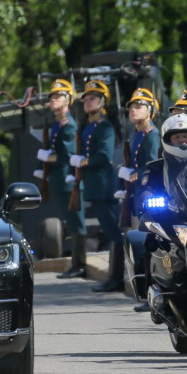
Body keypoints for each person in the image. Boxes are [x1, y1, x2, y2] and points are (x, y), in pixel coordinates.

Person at [72, 80, 123, 292]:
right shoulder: (90, 126)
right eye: (85, 98)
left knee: (114, 234)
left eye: (92, 98)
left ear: (102, 102)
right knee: (110, 232)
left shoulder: (105, 126)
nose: (87, 101)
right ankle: (114, 276)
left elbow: (103, 155)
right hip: (96, 186)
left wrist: (82, 161)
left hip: (104, 186)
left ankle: (117, 278)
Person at [118, 87, 162, 309]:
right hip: (136, 194)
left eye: (138, 106)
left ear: (150, 110)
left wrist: (132, 175)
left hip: (148, 196)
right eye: (131, 107)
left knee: (147, 244)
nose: (133, 110)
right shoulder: (139, 134)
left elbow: (150, 166)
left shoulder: (152, 135)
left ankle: (152, 292)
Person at [39, 78, 87, 280]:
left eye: (57, 96)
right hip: (60, 181)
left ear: (68, 100)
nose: (53, 100)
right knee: (72, 222)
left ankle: (79, 264)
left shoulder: (68, 125)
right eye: (52, 97)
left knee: (77, 224)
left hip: (69, 181)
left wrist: (46, 157)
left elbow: (67, 155)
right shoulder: (58, 124)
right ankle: (76, 263)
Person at [136, 113, 187, 222]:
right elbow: (147, 189)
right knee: (147, 234)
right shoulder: (155, 167)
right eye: (177, 137)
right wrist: (147, 198)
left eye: (185, 136)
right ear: (168, 140)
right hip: (169, 220)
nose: (182, 140)